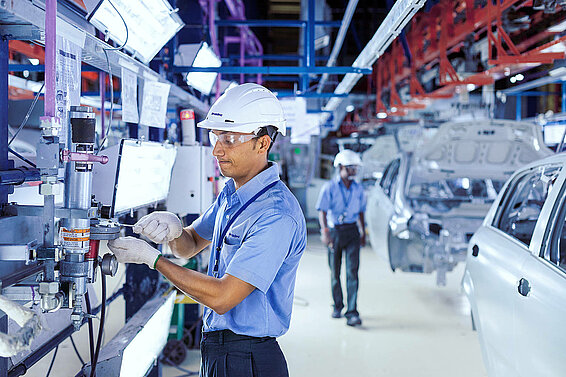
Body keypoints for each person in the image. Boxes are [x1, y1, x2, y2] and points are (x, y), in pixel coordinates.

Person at [107, 83, 307, 377]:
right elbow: (189, 245)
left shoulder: (275, 215)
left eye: (228, 138)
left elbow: (223, 297)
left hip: (248, 358)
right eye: (216, 137)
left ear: (262, 143)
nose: (216, 150)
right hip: (219, 349)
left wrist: (153, 260)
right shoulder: (232, 194)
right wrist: (173, 230)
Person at [316, 149, 366, 327]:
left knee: (352, 272)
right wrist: (325, 232)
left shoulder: (358, 188)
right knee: (335, 272)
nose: (354, 171)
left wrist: (362, 231)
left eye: (356, 168)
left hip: (352, 231)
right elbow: (322, 210)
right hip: (335, 232)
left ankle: (352, 311)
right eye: (351, 168)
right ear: (342, 167)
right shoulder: (329, 188)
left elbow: (361, 211)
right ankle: (338, 305)